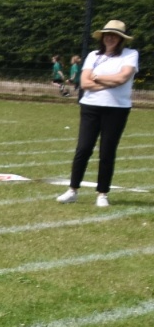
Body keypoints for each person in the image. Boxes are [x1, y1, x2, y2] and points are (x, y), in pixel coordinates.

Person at [58, 20, 139, 208]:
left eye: (115, 35)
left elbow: (122, 78)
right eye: (107, 35)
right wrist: (108, 82)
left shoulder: (130, 54)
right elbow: (85, 83)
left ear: (121, 39)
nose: (110, 38)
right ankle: (72, 190)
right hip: (90, 106)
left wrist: (97, 77)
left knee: (107, 151)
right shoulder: (93, 55)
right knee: (83, 148)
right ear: (102, 37)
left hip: (117, 109)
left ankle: (102, 193)